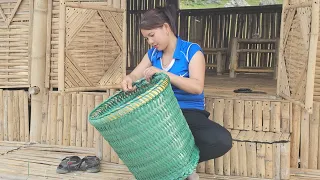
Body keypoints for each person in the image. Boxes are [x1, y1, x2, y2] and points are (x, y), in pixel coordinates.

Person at [121, 4, 232, 180]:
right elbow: (136, 73)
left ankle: (182, 165)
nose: (150, 42)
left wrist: (164, 74)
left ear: (166, 28)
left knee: (221, 140)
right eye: (146, 38)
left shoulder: (191, 51)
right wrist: (128, 79)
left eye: (151, 35)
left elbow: (197, 87)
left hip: (188, 113)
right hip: (160, 114)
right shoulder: (152, 55)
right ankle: (183, 169)